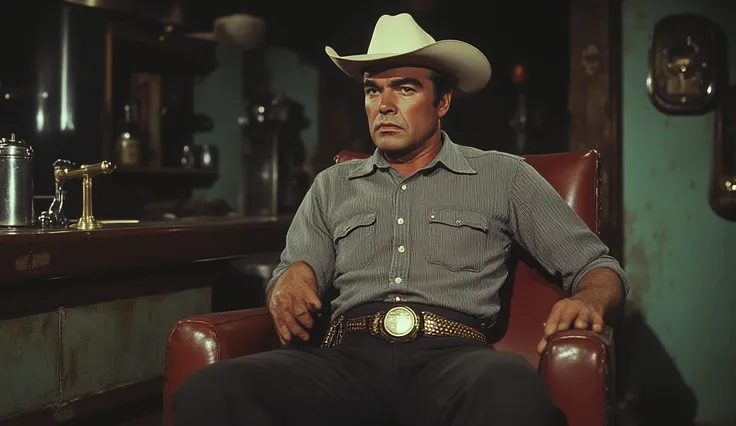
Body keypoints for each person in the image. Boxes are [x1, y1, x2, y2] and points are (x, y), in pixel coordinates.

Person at [172, 13, 629, 426]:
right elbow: (297, 269)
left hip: (455, 361)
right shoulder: (333, 184)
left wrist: (589, 300)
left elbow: (598, 268)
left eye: (405, 88)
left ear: (443, 101)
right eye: (373, 89)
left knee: (511, 388)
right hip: (348, 361)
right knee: (209, 391)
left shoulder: (503, 175)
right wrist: (289, 279)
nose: (384, 104)